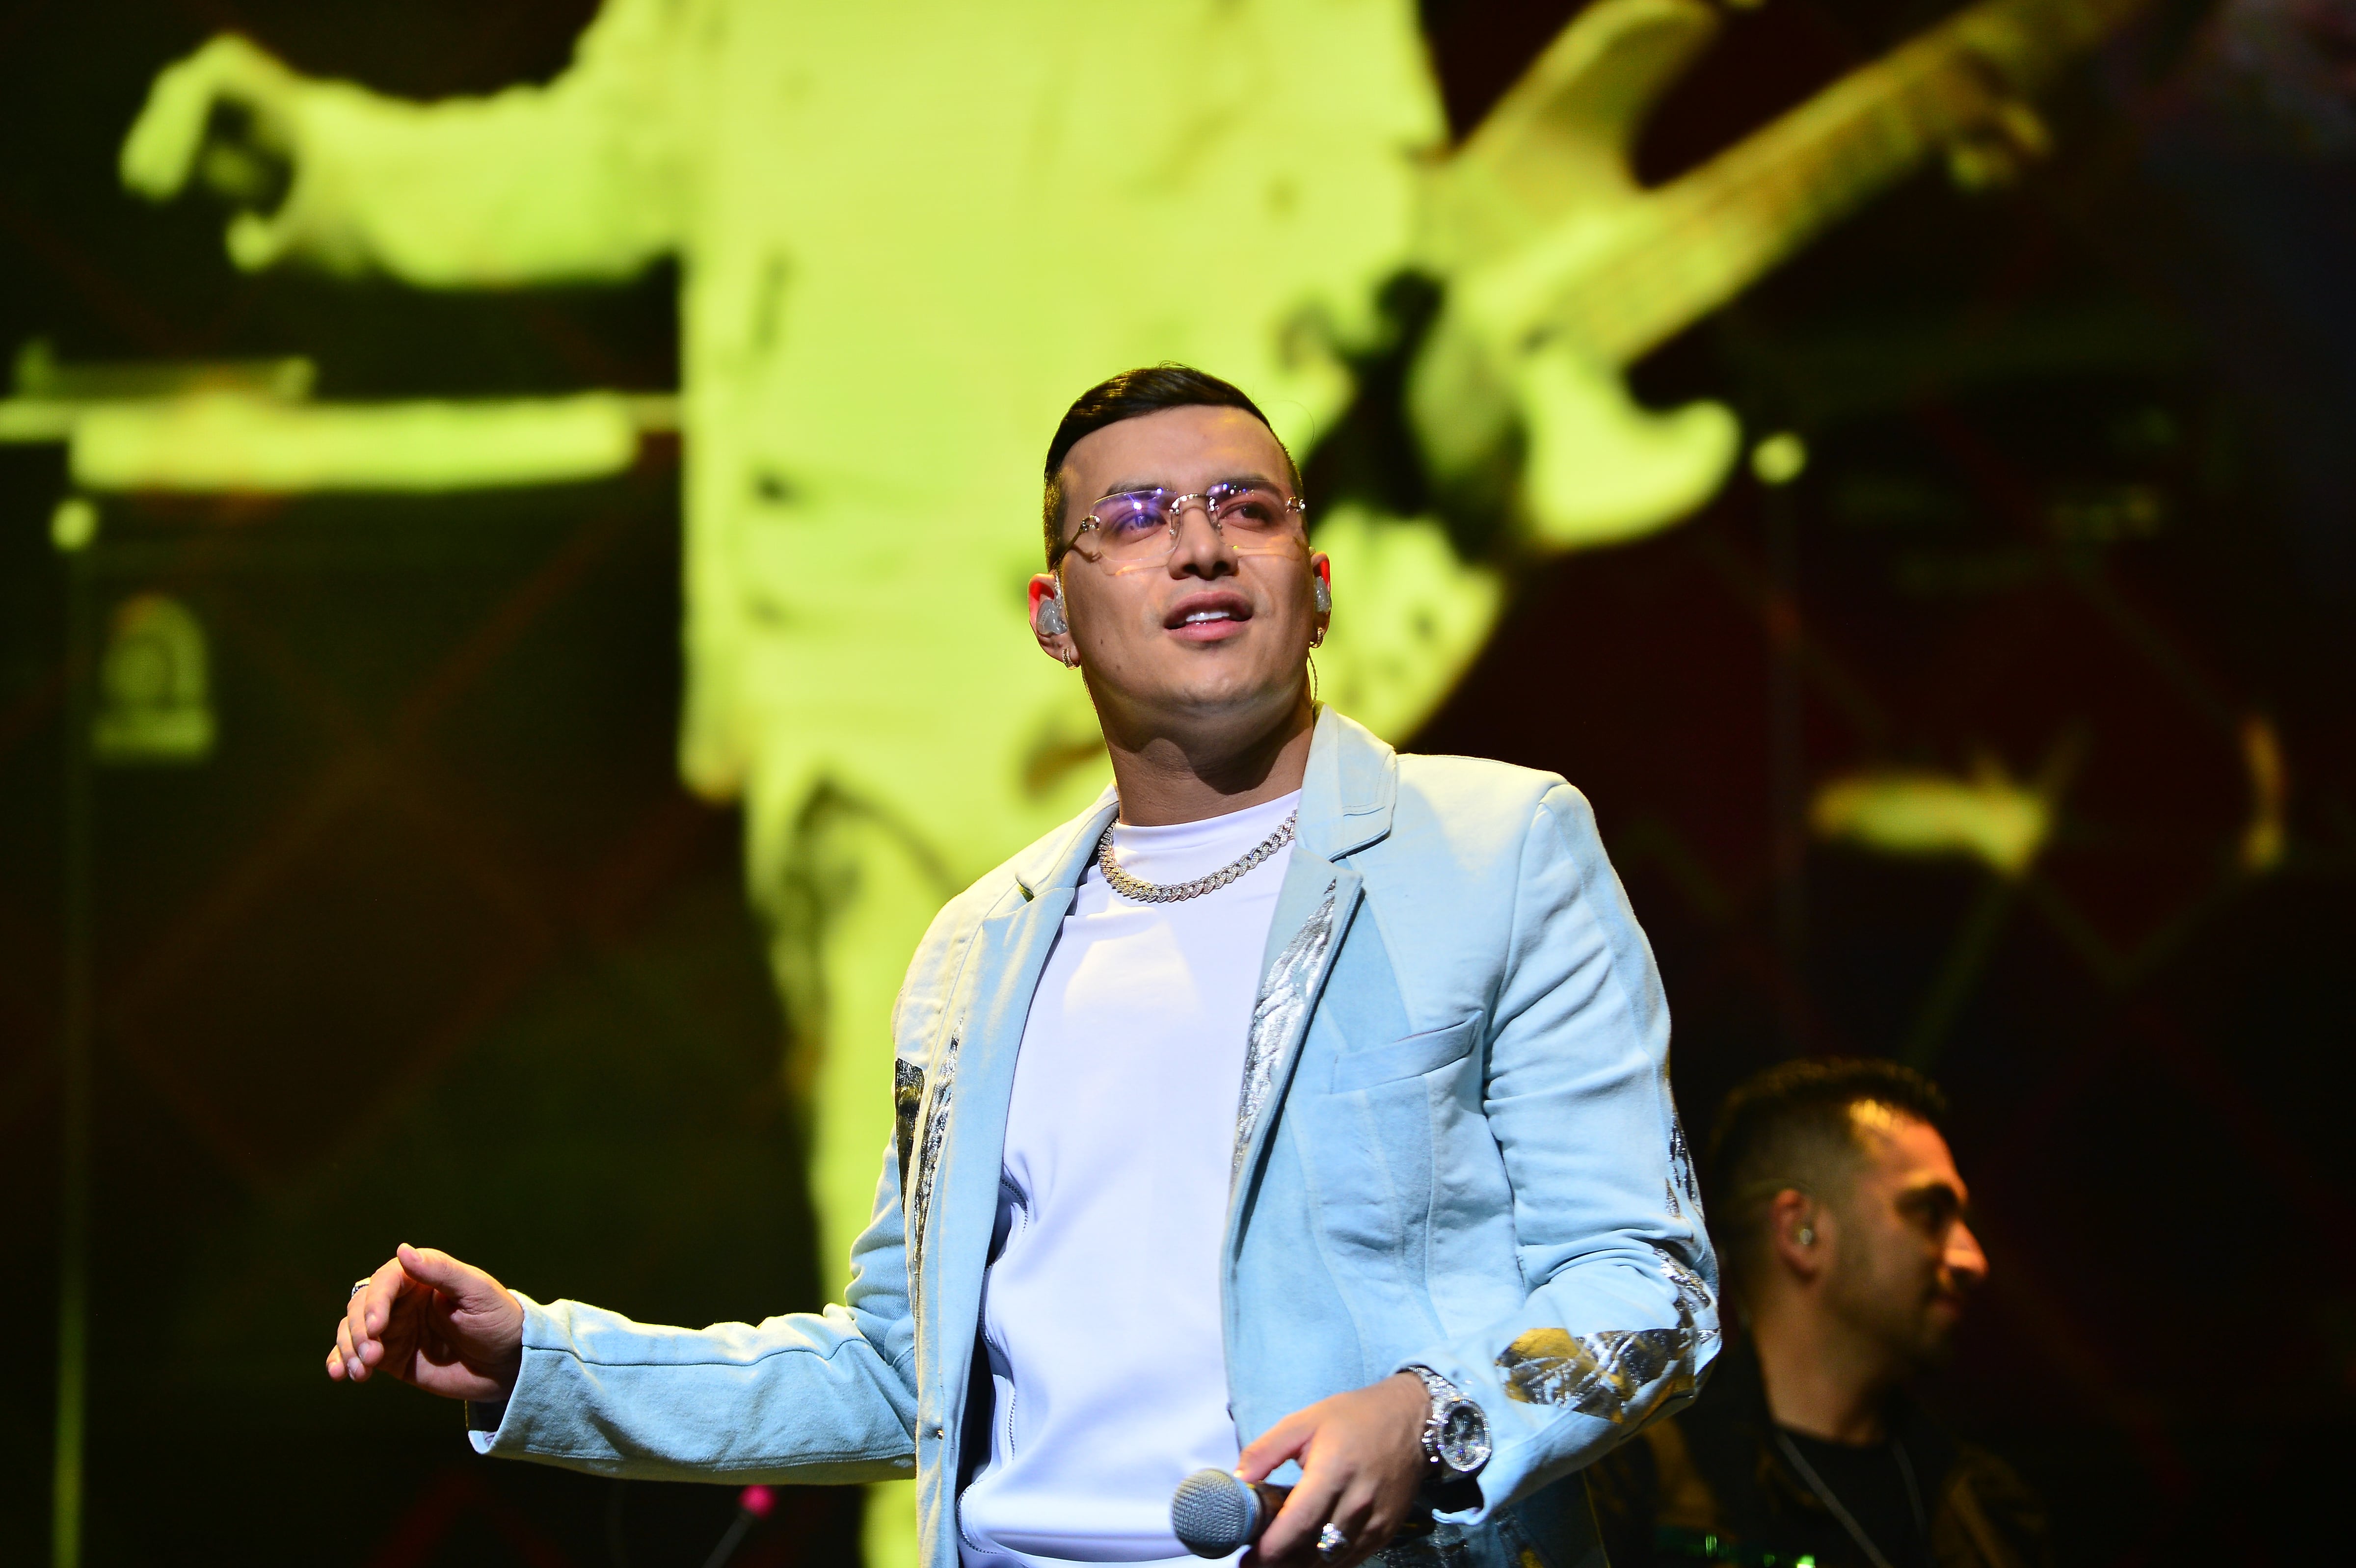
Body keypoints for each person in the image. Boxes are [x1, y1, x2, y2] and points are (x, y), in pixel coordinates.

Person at [326, 365, 1720, 1567]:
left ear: (1319, 581)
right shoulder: (977, 948)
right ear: (1055, 617)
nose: (1200, 546)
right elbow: (900, 1370)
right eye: (1134, 518)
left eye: (1249, 507)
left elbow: (1649, 1282)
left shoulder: (1493, 844)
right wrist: (546, 1359)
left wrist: (1434, 1417)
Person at [1588, 1059, 2049, 1568]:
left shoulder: (1983, 1508)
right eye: (1931, 1214)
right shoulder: (1639, 1476)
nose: (1973, 1259)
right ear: (1802, 1231)